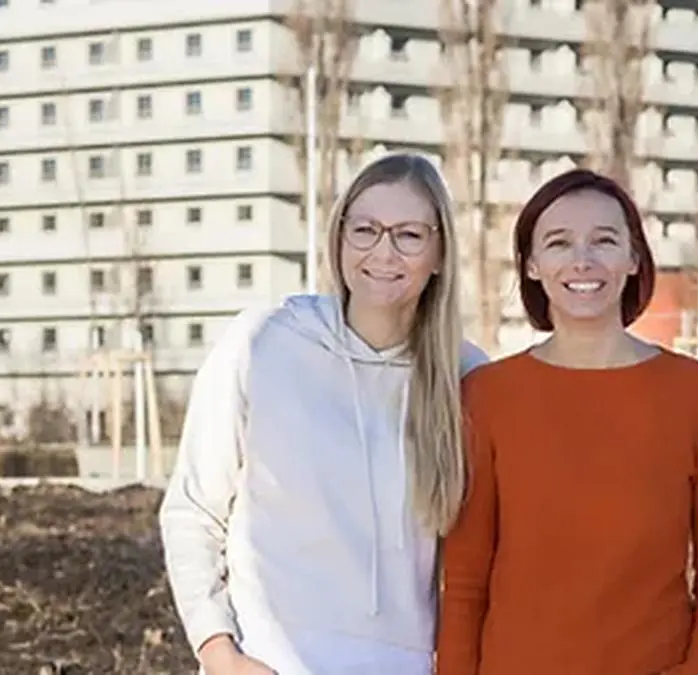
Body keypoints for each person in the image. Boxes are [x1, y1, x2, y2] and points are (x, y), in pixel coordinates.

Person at [159, 152, 489, 675]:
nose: (383, 251)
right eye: (365, 230)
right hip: (268, 658)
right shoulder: (263, 343)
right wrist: (219, 652)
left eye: (409, 235)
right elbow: (193, 510)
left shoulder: (467, 376)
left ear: (440, 253)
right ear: (339, 239)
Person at [435, 168, 698, 675]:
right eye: (559, 243)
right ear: (531, 265)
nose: (583, 260)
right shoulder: (487, 396)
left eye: (604, 240)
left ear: (633, 258)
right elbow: (466, 585)